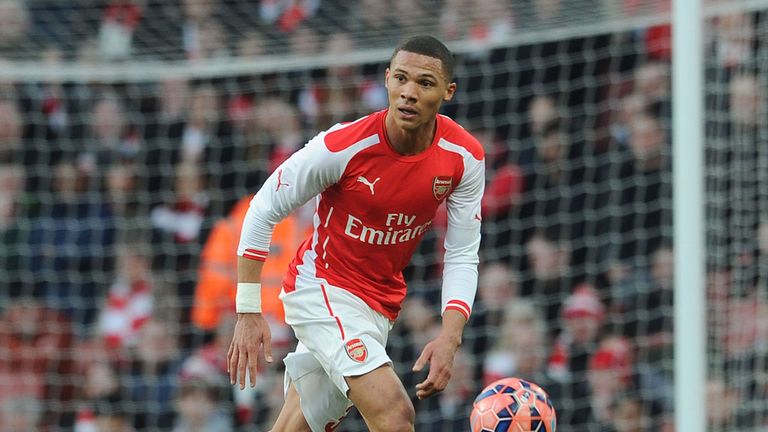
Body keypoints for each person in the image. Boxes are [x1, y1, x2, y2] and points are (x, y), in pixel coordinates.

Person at [227, 35, 485, 432]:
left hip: (379, 305)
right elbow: (263, 208)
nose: (409, 93)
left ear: (448, 91)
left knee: (298, 424)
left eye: (425, 83)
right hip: (321, 287)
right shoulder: (343, 146)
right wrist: (247, 310)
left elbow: (463, 252)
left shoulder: (464, 158)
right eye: (400, 79)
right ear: (386, 80)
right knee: (395, 415)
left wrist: (450, 337)